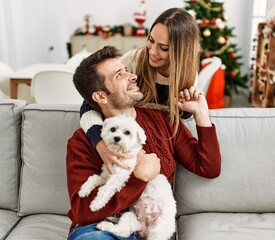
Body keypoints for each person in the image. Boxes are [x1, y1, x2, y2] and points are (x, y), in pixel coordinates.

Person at [66, 46, 221, 240]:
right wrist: (139, 177)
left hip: (152, 226)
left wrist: (201, 115)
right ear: (100, 96)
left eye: (126, 70)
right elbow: (83, 212)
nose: (132, 76)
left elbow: (209, 168)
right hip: (102, 228)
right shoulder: (82, 141)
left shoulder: (164, 120)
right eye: (119, 75)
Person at [80, 8, 201, 174]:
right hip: (124, 138)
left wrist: (190, 111)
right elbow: (93, 100)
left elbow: (179, 121)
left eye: (163, 48)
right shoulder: (134, 59)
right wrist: (98, 141)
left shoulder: (187, 76)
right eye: (151, 40)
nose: (152, 51)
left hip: (155, 148)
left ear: (182, 51)